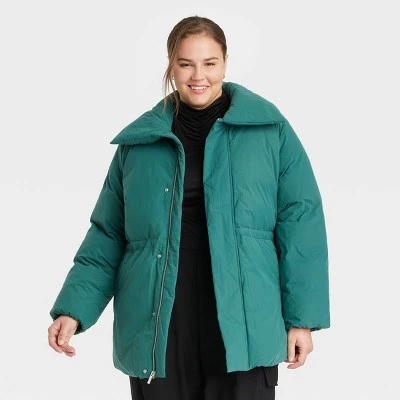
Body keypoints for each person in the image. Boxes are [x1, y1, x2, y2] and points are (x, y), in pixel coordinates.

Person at [48, 15, 330, 400]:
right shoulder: (140, 143)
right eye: (186, 64)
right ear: (171, 65)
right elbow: (108, 233)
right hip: (160, 319)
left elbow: (301, 225)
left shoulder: (270, 131)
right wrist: (74, 309)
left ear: (225, 63)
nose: (199, 76)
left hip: (246, 317)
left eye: (209, 63)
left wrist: (302, 320)